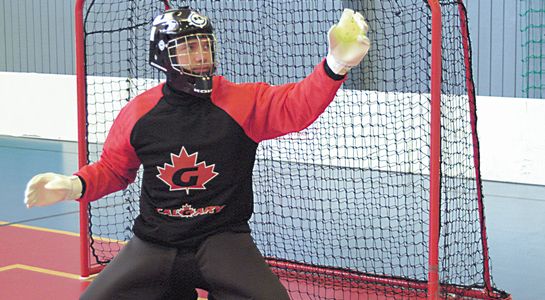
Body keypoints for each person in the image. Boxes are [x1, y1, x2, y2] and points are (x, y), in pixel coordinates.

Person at [24, 5, 370, 300]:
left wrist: (334, 65)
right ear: (163, 55)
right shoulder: (139, 113)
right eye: (188, 47)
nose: (202, 55)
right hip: (153, 243)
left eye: (205, 45)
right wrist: (72, 186)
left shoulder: (242, 102)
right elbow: (114, 169)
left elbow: (296, 106)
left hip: (222, 240)